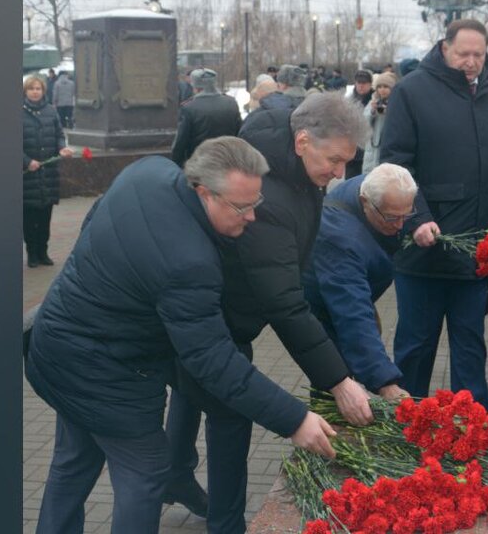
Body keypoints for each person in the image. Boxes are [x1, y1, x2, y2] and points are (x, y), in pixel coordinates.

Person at [25, 137, 339, 534]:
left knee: (73, 463)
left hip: (56, 343)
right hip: (107, 372)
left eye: (256, 202)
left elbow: (93, 229)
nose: (252, 217)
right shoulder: (189, 262)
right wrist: (295, 420)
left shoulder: (147, 171)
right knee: (146, 474)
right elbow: (213, 360)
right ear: (203, 191)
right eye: (242, 207)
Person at [165, 92, 373, 533]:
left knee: (189, 385)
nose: (339, 174)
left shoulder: (293, 162)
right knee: (231, 411)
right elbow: (283, 303)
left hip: (218, 306)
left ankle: (176, 472)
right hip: (221, 313)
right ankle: (225, 523)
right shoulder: (272, 197)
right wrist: (338, 382)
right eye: (334, 161)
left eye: (346, 163)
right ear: (301, 141)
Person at [379, 19, 488, 410]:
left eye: (478, 55)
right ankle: (407, 424)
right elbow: (395, 163)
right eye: (463, 53)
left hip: (475, 251)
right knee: (416, 348)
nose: (471, 62)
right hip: (425, 253)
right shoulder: (412, 92)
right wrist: (416, 218)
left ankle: (473, 427)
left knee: (470, 345)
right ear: (444, 48)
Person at [302, 163, 417, 400]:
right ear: (366, 202)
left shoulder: (386, 186)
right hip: (322, 304)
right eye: (392, 218)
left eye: (407, 215)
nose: (400, 225)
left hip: (350, 289)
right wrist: (386, 383)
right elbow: (353, 316)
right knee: (333, 376)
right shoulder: (339, 239)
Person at [22, 75, 74, 268]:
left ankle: (43, 251)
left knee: (45, 216)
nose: (35, 92)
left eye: (38, 88)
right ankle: (32, 253)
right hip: (28, 176)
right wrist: (26, 161)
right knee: (29, 218)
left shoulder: (51, 111)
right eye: (31, 88)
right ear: (25, 91)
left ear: (44, 91)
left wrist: (62, 148)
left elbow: (60, 135)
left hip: (48, 174)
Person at [170, 68, 242, 167]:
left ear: (196, 87)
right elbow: (239, 133)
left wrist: (176, 163)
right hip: (227, 161)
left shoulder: (189, 108)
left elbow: (181, 142)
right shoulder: (231, 103)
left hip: (200, 164)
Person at [361, 71, 398, 174]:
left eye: (386, 87)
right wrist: (372, 111)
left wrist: (389, 112)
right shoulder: (373, 101)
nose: (382, 90)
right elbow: (363, 122)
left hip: (387, 146)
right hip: (372, 147)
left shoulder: (398, 102)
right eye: (380, 86)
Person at [343, 70, 375, 177]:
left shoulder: (375, 100)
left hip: (371, 145)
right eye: (359, 82)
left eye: (364, 83)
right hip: (353, 147)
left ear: (370, 84)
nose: (361, 86)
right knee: (351, 180)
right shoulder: (348, 100)